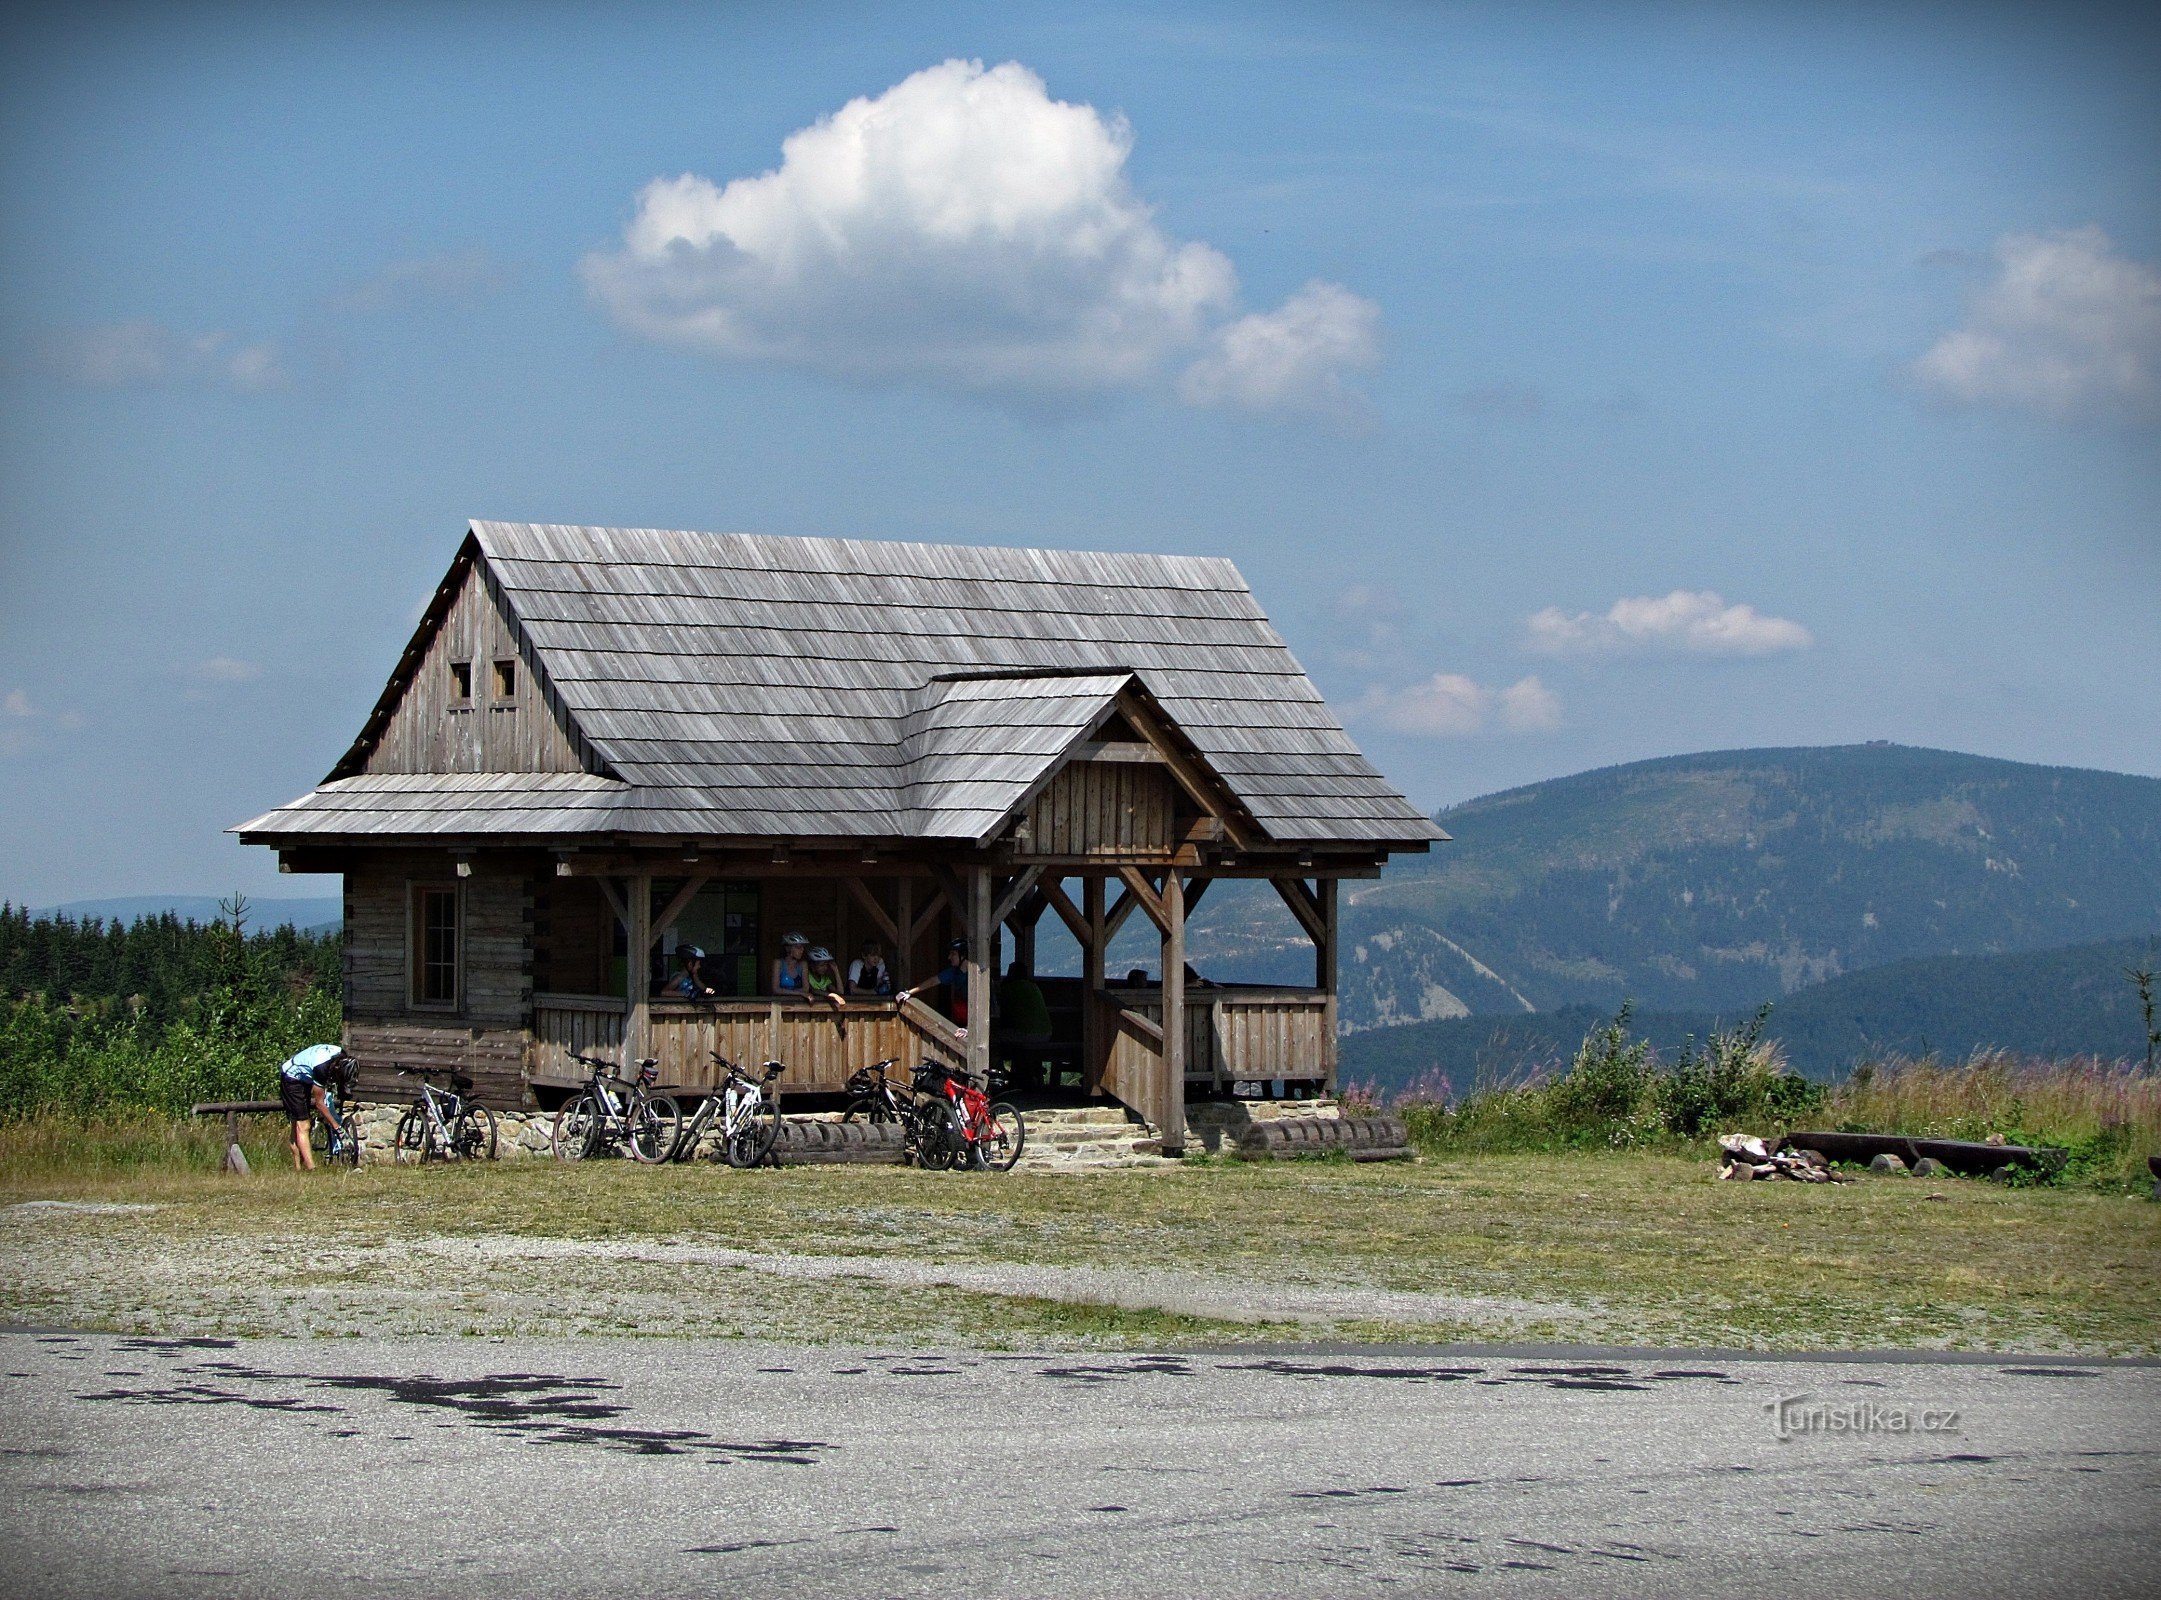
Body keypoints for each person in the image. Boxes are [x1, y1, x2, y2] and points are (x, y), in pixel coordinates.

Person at [278, 1043, 351, 1172]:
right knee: (303, 1125)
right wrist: (337, 1127)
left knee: (300, 1124)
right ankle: (311, 1168)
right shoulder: (321, 1069)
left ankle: (298, 1169)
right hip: (292, 1078)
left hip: (306, 1077)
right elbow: (319, 1104)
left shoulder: (342, 1057)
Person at [903, 939, 971, 1028]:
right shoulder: (954, 972)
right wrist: (909, 992)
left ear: (963, 956)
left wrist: (969, 1028)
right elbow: (932, 981)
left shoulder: (976, 975)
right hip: (959, 1023)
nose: (949, 957)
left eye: (953, 953)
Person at [998, 959, 1051, 1044]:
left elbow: (1001, 1007)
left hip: (1025, 1034)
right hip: (1046, 1034)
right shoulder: (1034, 987)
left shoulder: (1009, 988)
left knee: (993, 1036)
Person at [771, 932, 811, 997]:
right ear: (788, 948)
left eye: (803, 947)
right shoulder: (778, 963)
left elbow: (806, 989)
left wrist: (785, 991)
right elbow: (775, 989)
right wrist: (800, 993)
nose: (802, 950)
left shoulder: (803, 964)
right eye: (798, 947)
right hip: (779, 1003)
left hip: (798, 1003)